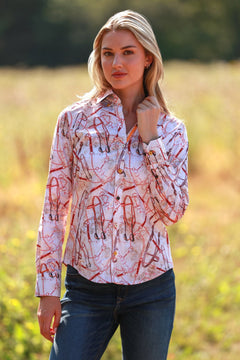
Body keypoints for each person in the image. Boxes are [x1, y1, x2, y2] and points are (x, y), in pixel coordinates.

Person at [36, 9, 189, 360]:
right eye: (108, 53)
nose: (116, 62)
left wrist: (151, 141)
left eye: (127, 52)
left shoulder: (171, 130)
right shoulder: (74, 122)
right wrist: (47, 289)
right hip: (85, 287)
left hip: (151, 289)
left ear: (148, 58)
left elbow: (173, 211)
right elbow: (53, 208)